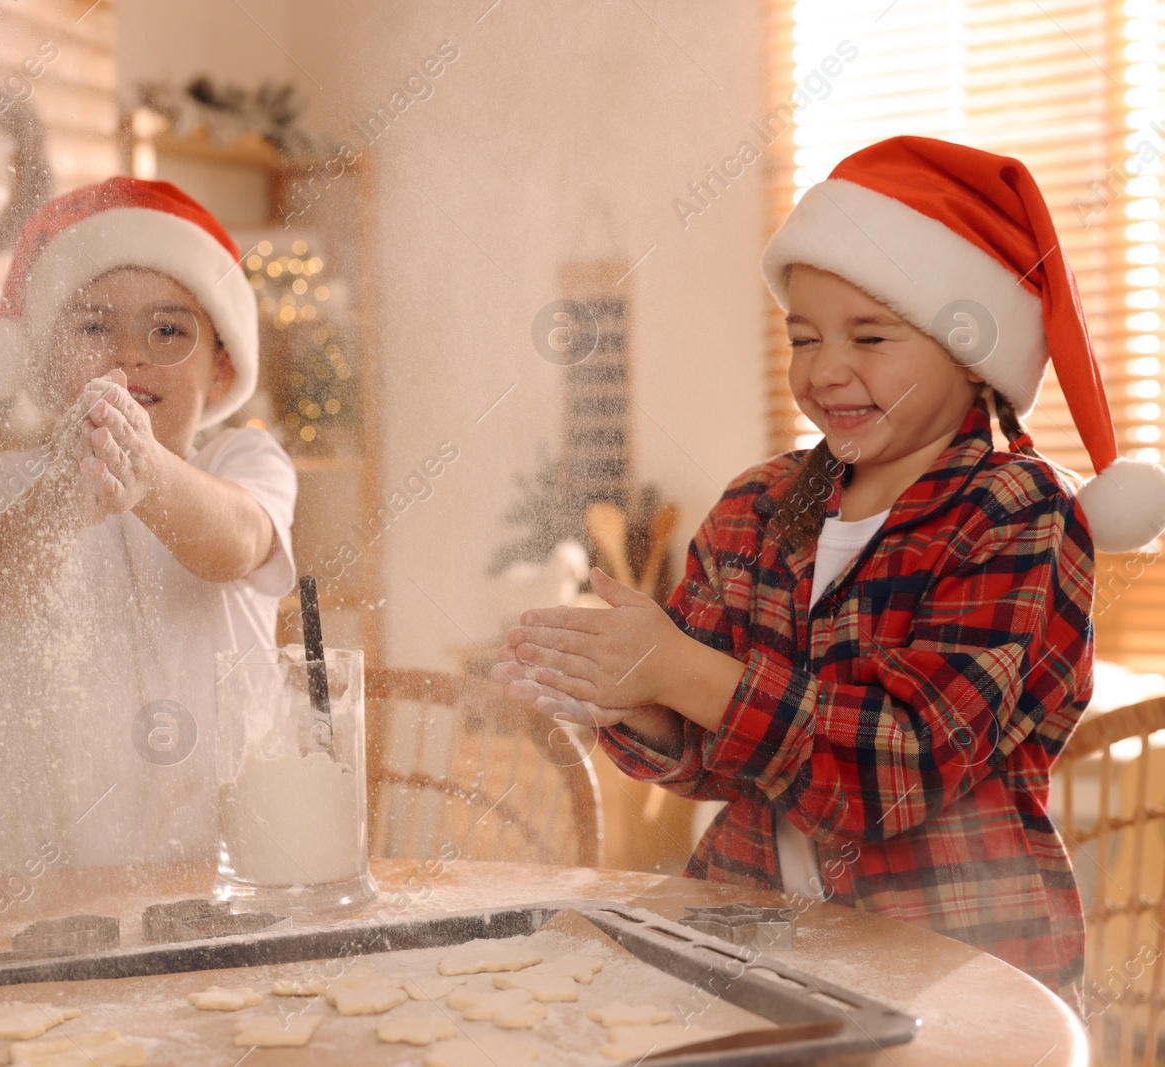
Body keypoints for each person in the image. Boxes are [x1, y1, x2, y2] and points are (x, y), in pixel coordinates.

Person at [494, 136, 1165, 1012]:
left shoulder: (1015, 512)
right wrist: (635, 696)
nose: (826, 369)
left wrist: (683, 670)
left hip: (959, 963)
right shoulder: (758, 504)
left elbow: (902, 766)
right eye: (803, 336)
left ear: (972, 353)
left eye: (871, 336)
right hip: (759, 950)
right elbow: (713, 759)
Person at [0, 178, 296, 876]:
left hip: (232, 857)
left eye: (167, 329)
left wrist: (148, 472)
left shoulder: (245, 461)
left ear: (220, 369)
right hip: (48, 865)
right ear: (45, 367)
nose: (128, 354)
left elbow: (237, 545)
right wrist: (68, 498)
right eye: (94, 327)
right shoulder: (11, 483)